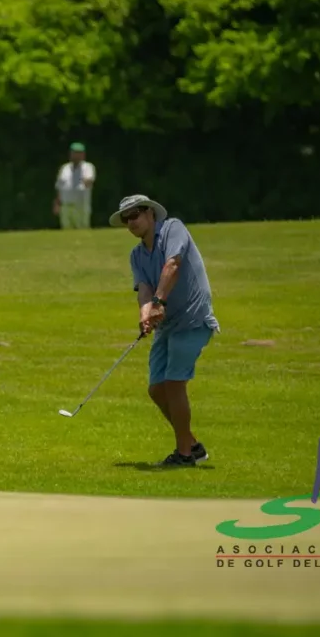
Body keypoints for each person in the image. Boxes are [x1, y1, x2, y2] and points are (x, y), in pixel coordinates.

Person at [110, 194, 219, 467]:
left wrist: (158, 303)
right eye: (126, 218)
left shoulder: (173, 228)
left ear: (150, 213)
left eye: (135, 215)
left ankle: (184, 455)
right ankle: (192, 445)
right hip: (167, 325)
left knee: (173, 383)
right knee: (157, 389)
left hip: (192, 319)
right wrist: (145, 314)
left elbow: (173, 265)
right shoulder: (137, 255)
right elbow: (144, 288)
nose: (131, 222)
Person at [53, 142, 96, 229]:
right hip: (66, 205)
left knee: (82, 229)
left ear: (83, 155)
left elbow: (89, 182)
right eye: (74, 153)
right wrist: (57, 203)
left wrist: (82, 178)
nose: (76, 156)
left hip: (81, 206)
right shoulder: (64, 168)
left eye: (78, 153)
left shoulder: (88, 167)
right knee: (66, 229)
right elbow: (60, 187)